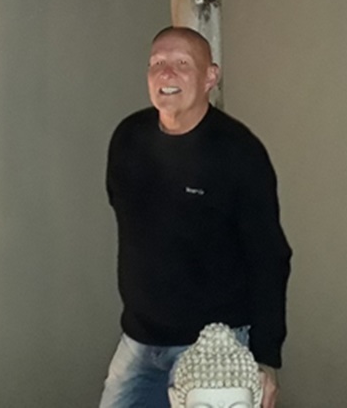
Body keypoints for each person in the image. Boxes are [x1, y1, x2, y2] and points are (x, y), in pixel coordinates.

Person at [99, 26, 292, 408]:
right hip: (138, 342)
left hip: (214, 349)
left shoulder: (239, 153)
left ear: (210, 77)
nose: (166, 73)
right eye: (157, 63)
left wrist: (266, 357)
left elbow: (270, 257)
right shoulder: (127, 138)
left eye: (182, 63)